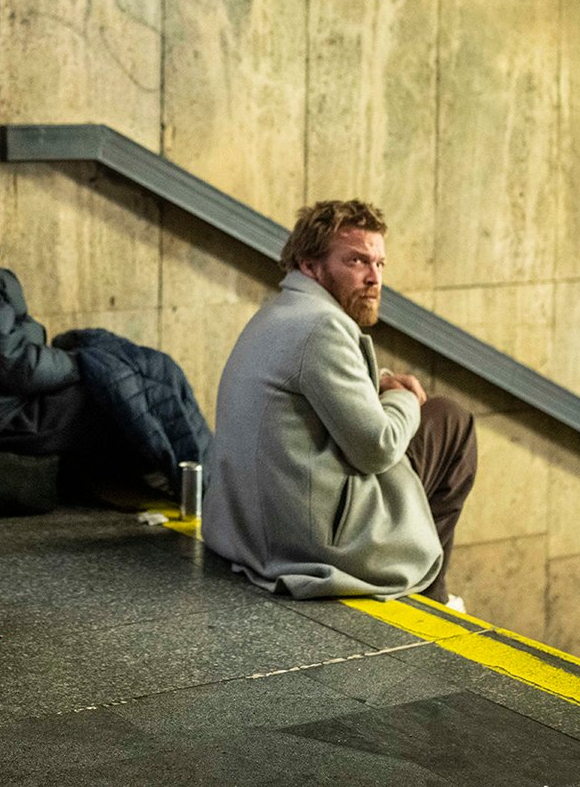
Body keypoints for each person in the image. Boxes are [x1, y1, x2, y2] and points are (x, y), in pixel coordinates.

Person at [203, 200, 478, 605]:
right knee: (452, 421)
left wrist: (381, 380)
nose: (373, 278)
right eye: (356, 261)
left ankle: (429, 586)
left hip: (247, 533)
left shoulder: (280, 313)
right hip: (310, 542)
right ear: (310, 264)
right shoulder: (323, 326)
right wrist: (403, 398)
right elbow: (377, 448)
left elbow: (320, 380)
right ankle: (430, 592)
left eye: (380, 264)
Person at [0, 120, 208, 492]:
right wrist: (75, 364)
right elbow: (10, 363)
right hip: (0, 413)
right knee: (122, 394)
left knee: (139, 372)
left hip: (9, 399)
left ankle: (193, 481)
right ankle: (190, 486)